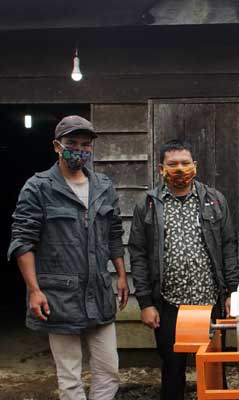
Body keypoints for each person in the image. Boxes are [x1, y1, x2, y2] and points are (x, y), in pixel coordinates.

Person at [8, 115, 128, 400]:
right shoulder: (38, 187)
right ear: (56, 146)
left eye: (86, 145)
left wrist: (121, 275)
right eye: (72, 143)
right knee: (70, 378)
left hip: (99, 293)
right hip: (59, 297)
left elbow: (113, 232)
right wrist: (34, 290)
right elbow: (23, 241)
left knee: (109, 372)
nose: (80, 149)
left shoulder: (103, 186)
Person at [129, 139, 239, 400]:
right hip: (169, 304)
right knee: (172, 370)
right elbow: (139, 254)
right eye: (173, 164)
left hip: (209, 301)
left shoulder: (214, 200)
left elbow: (228, 247)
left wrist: (231, 293)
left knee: (213, 370)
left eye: (185, 163)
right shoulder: (147, 204)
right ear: (161, 169)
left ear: (195, 166)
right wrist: (145, 302)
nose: (180, 169)